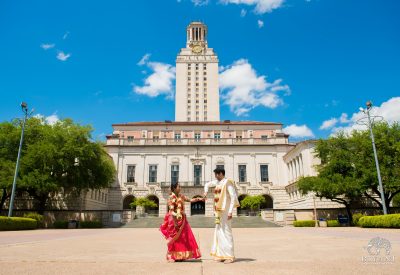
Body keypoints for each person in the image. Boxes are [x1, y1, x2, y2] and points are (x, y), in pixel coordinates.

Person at [203, 168, 240, 264]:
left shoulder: (228, 182)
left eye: (216, 174)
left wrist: (231, 211)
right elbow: (207, 184)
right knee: (219, 232)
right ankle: (221, 254)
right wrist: (205, 192)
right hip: (218, 212)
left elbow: (233, 197)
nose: (215, 176)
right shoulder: (217, 183)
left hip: (226, 212)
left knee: (227, 232)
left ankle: (230, 256)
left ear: (221, 174)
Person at [160, 182, 202, 262]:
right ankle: (173, 256)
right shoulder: (171, 198)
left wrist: (198, 199)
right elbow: (171, 211)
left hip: (182, 220)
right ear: (174, 188)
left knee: (183, 238)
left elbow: (189, 200)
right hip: (174, 220)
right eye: (179, 186)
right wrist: (175, 221)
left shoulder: (181, 196)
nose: (180, 187)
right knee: (175, 239)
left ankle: (180, 256)